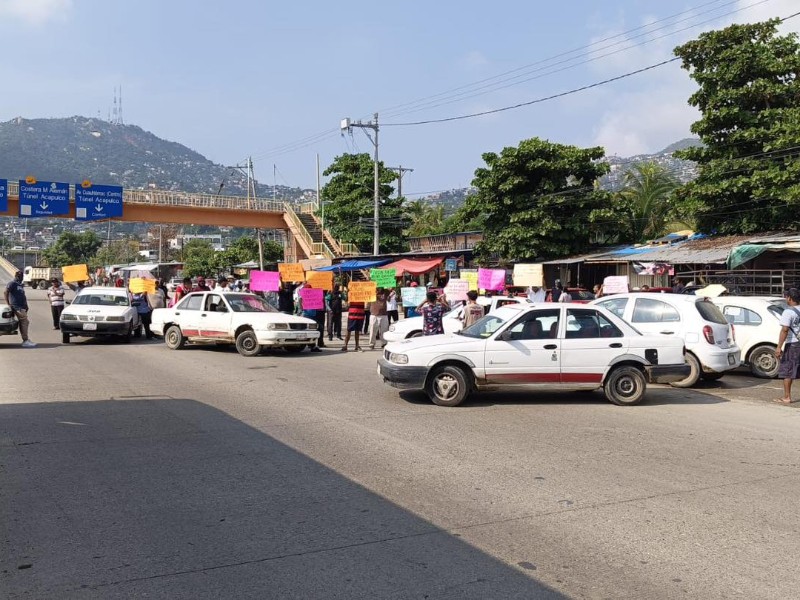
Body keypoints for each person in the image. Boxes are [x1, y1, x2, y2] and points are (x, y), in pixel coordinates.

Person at [774, 288, 800, 404]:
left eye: (786, 297)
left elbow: (784, 330)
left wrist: (779, 347)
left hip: (793, 344)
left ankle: (787, 397)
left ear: (789, 298)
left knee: (788, 370)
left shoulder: (788, 312)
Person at [4, 270, 36, 347]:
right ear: (16, 276)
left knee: (23, 322)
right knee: (25, 321)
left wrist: (26, 305)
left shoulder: (20, 285)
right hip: (16, 306)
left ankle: (25, 340)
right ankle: (25, 340)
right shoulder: (12, 283)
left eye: (21, 276)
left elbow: (23, 296)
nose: (20, 277)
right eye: (19, 276)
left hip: (22, 306)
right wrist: (8, 304)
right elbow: (6, 292)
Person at [297, 283, 322, 352]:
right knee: (306, 331)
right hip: (306, 315)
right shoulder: (303, 295)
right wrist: (301, 309)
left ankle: (313, 345)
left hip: (313, 314)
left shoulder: (313, 294)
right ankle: (307, 344)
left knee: (314, 331)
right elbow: (299, 301)